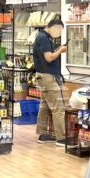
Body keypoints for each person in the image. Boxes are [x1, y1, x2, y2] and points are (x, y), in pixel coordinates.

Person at [32, 18, 68, 146]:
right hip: (48, 77)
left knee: (45, 106)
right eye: (59, 30)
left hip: (42, 76)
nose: (59, 33)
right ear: (54, 27)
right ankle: (61, 138)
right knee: (58, 108)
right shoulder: (43, 38)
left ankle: (43, 134)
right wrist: (60, 50)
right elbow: (49, 58)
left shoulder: (42, 37)